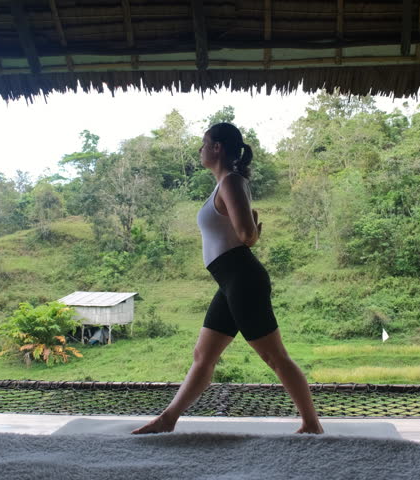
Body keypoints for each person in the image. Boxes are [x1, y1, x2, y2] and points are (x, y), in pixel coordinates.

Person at [132, 123, 324, 435]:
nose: (200, 150)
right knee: (203, 356)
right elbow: (243, 232)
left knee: (275, 357)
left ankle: (312, 424)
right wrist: (250, 233)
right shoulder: (224, 183)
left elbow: (246, 235)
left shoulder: (231, 182)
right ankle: (167, 420)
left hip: (242, 278)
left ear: (218, 147)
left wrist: (253, 233)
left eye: (204, 143)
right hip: (230, 280)